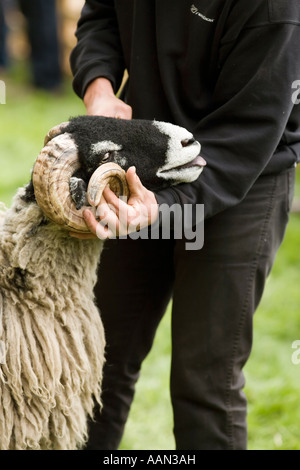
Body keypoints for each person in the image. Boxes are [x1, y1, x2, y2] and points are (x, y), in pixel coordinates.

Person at [69, 0, 300, 450]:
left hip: (241, 178)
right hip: (145, 158)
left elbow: (248, 132)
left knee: (205, 383)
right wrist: (98, 84)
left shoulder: (276, 8)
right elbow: (102, 14)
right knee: (96, 360)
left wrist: (164, 207)